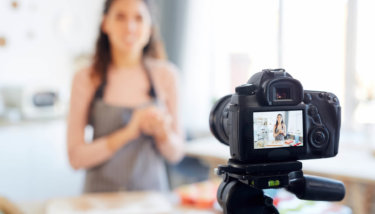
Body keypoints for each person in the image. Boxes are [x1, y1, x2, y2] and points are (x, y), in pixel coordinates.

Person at [67, 0, 184, 193]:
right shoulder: (85, 78)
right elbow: (76, 158)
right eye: (120, 17)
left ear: (149, 28)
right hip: (99, 202)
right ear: (105, 23)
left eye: (138, 18)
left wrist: (163, 134)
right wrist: (129, 131)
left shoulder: (167, 76)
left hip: (152, 201)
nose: (130, 27)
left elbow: (176, 154)